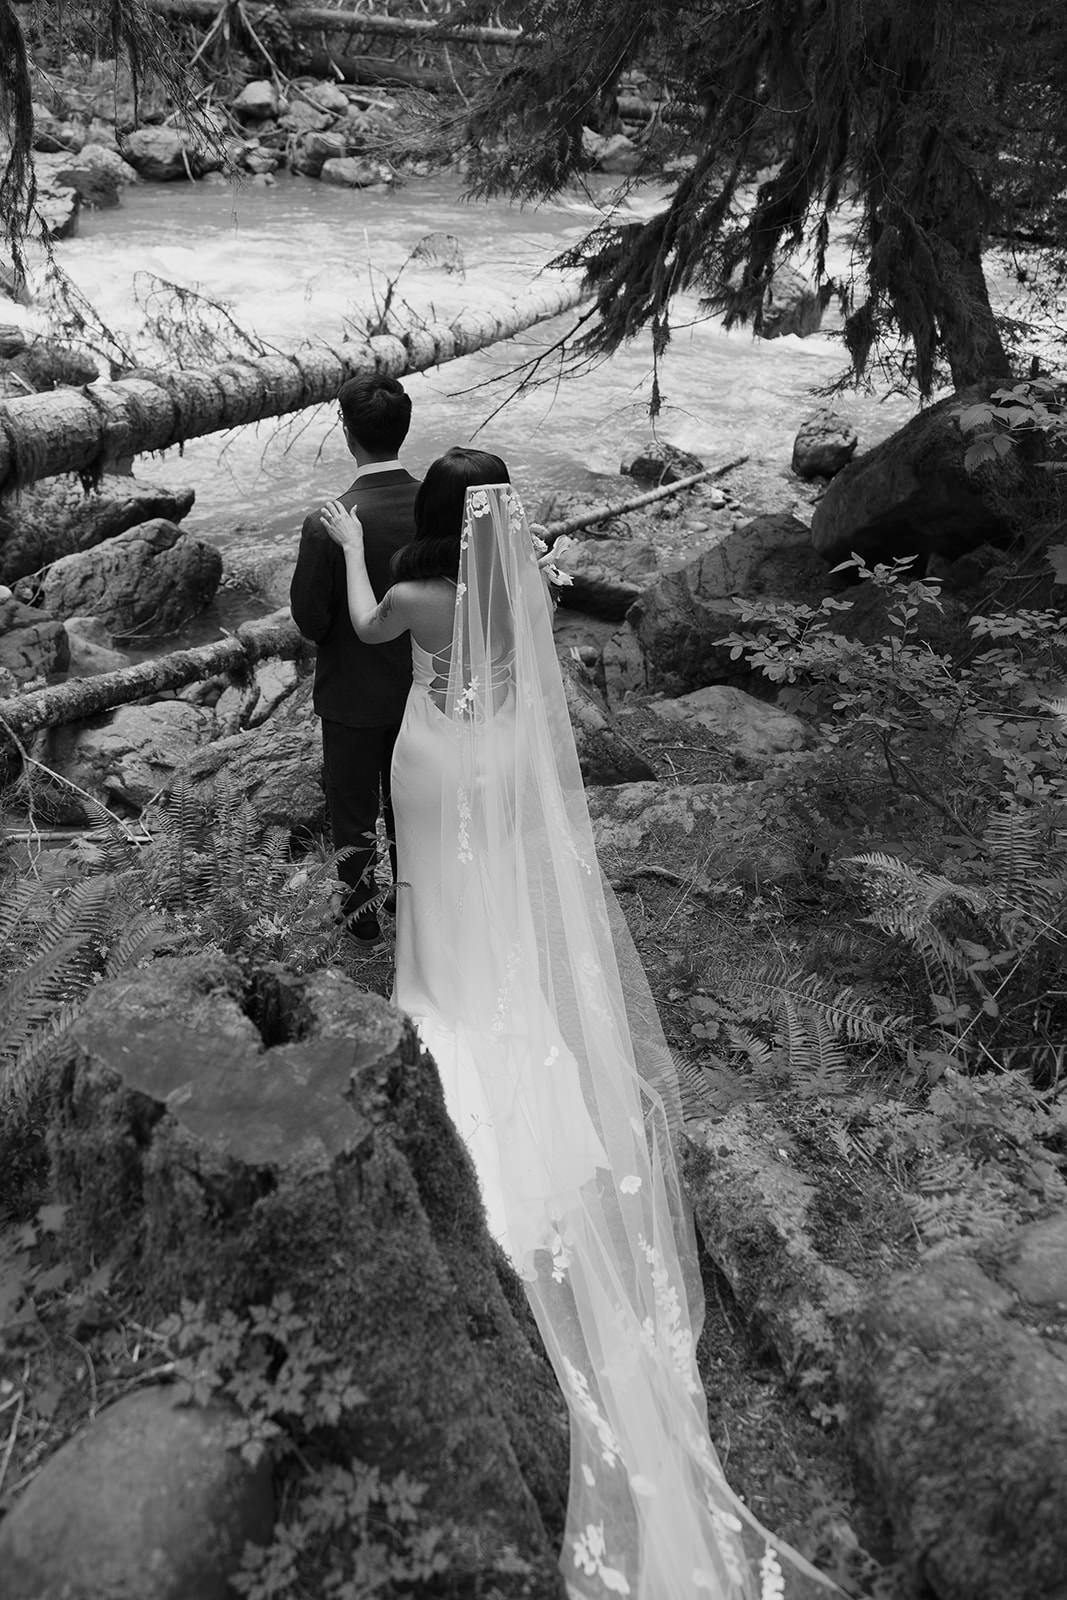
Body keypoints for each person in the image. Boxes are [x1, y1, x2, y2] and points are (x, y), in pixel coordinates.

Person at [319, 451, 840, 1600]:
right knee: (499, 899)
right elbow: (534, 648)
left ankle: (438, 1022)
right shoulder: (528, 585)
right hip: (503, 756)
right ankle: (512, 1039)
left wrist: (352, 543)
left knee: (432, 893)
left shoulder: (412, 592)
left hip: (433, 757)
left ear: (435, 516)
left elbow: (361, 629)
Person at [290, 374, 419, 945]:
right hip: (424, 686)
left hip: (351, 692)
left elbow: (311, 620)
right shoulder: (437, 506)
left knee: (352, 806)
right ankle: (416, 902)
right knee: (412, 801)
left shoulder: (329, 522)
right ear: (404, 428)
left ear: (347, 433)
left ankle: (362, 916)